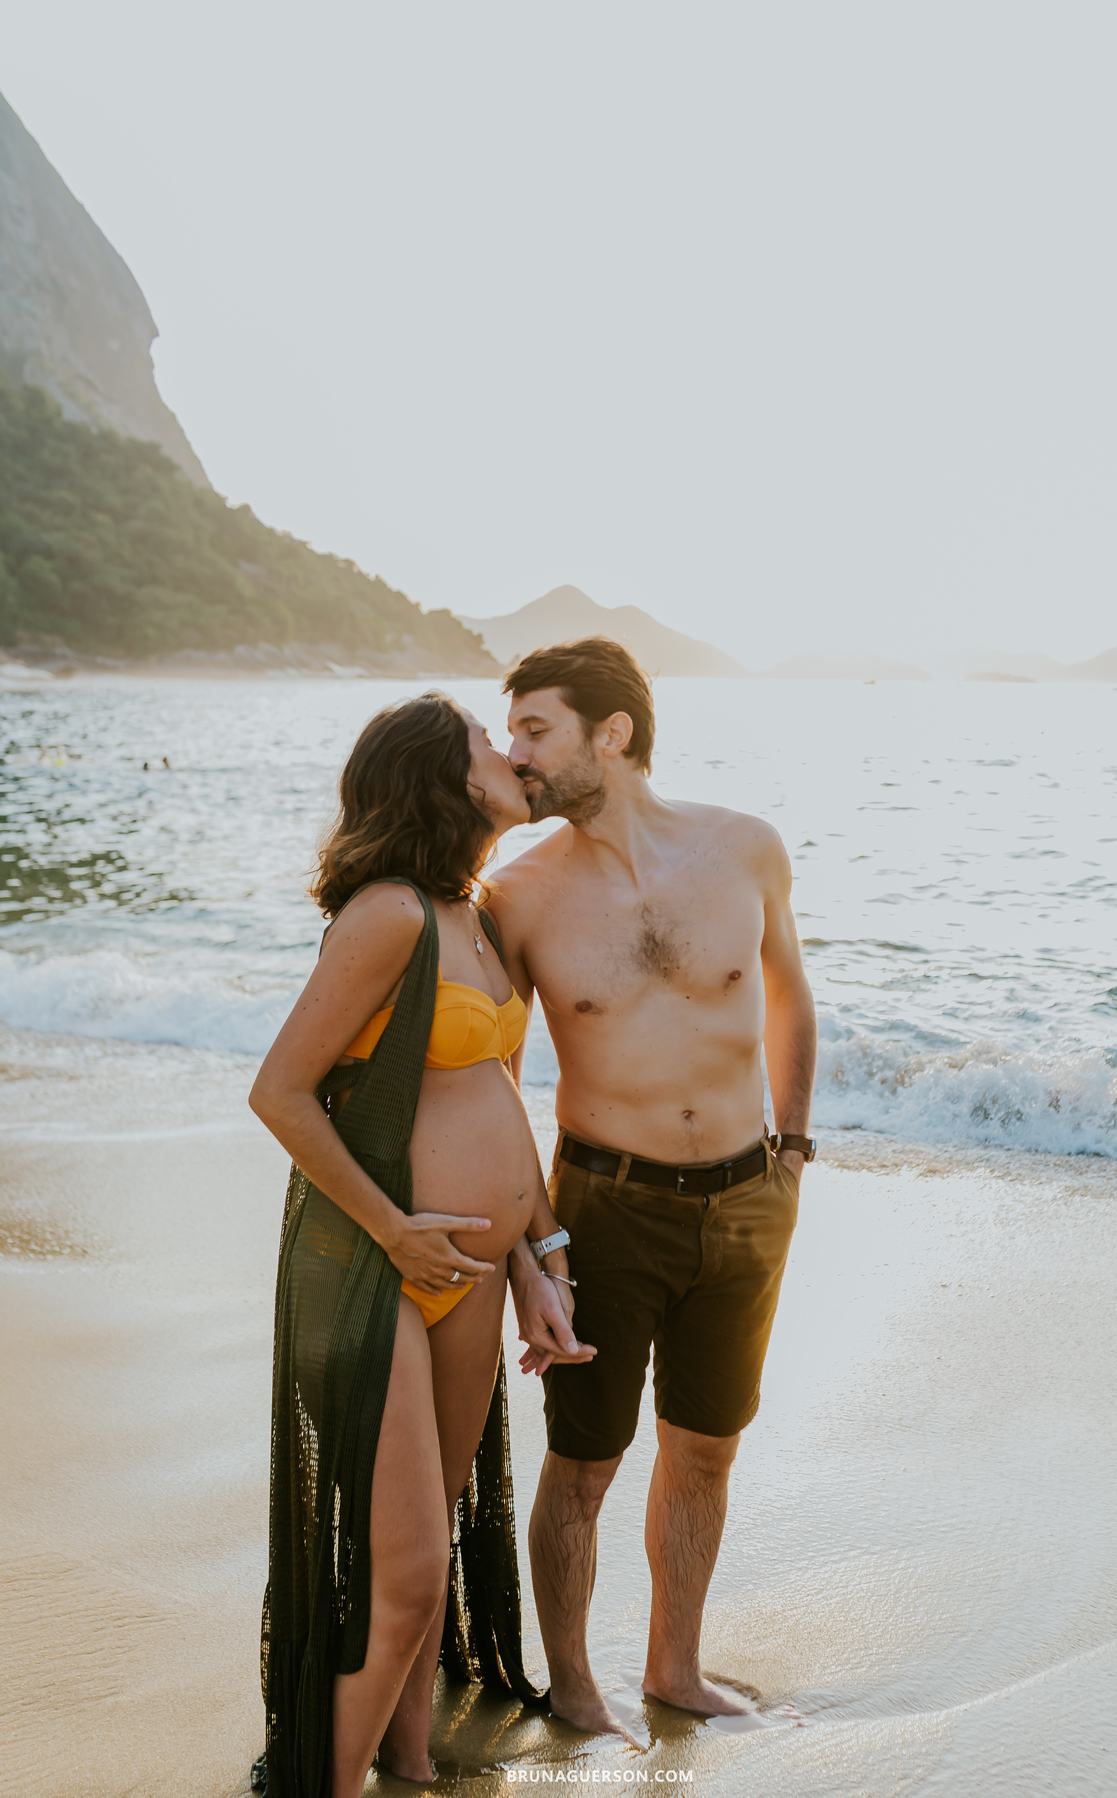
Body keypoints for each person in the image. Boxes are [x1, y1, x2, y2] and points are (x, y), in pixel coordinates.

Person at [249, 693, 589, 1798]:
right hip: (373, 1273)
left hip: (473, 1273)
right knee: (402, 1576)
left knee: (428, 1549)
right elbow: (280, 1092)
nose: (510, 754)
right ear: (443, 777)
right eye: (489, 741)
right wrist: (393, 1230)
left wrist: (539, 1254)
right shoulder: (388, 913)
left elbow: (495, 1096)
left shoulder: (471, 913)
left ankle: (408, 1765)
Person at [486, 637, 818, 1736]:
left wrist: (793, 1154)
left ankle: (676, 1668)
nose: (515, 753)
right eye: (511, 731)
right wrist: (536, 1244)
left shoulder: (746, 848)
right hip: (603, 1207)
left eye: (536, 728)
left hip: (748, 1200)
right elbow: (495, 1082)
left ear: (612, 733)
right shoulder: (518, 895)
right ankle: (576, 1686)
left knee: (706, 1450)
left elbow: (789, 998)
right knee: (584, 1462)